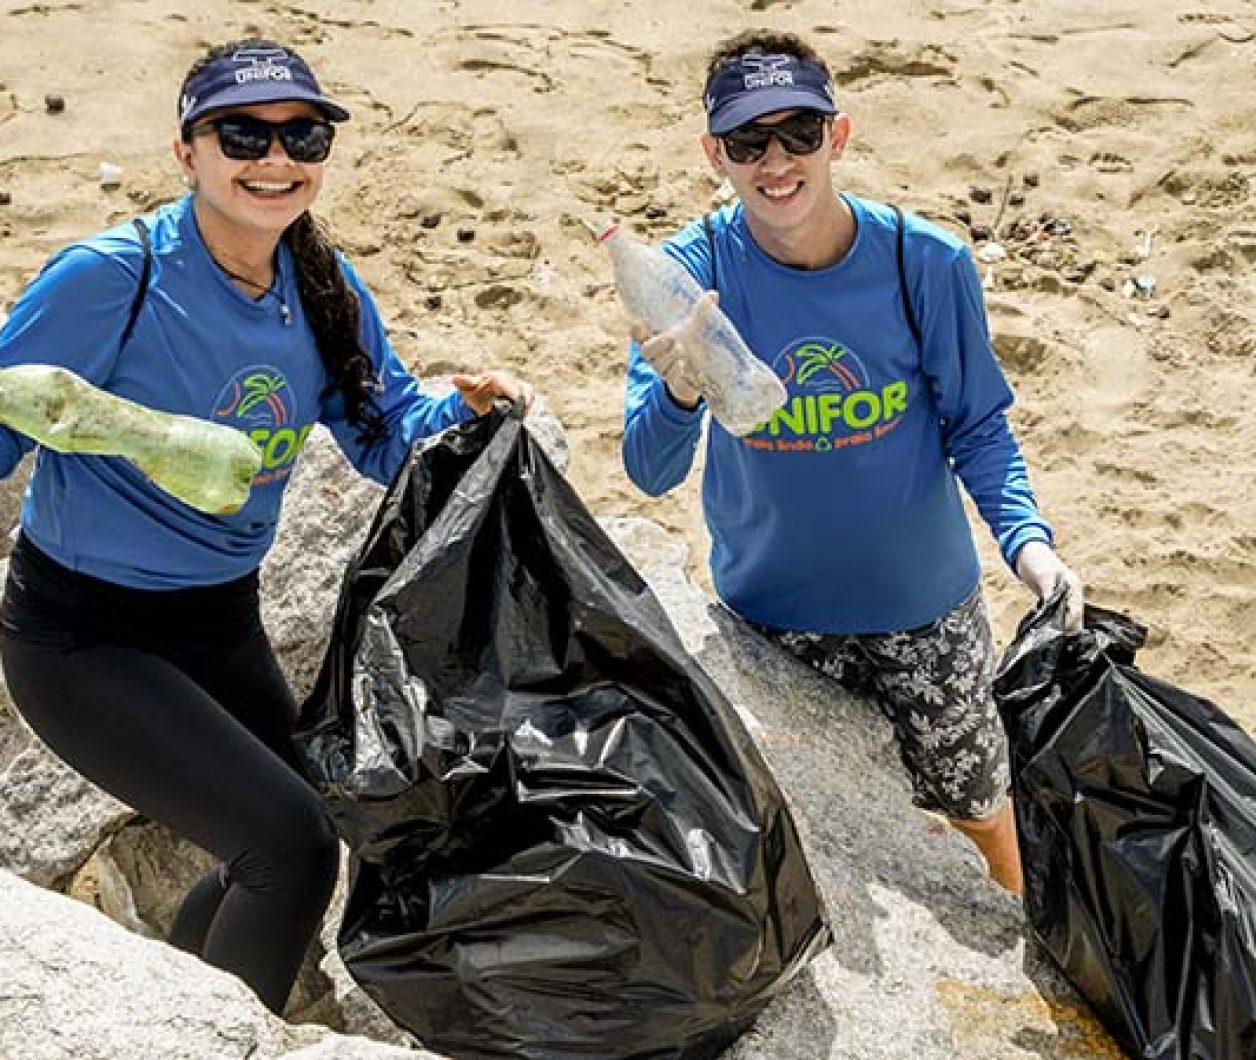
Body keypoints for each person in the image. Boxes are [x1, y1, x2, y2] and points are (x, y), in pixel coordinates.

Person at [0, 39, 530, 1012]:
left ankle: (179, 1001)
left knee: (310, 826)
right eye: (242, 133)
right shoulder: (110, 280)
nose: (275, 158)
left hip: (217, 620)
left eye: (302, 135)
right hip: (81, 639)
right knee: (283, 842)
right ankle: (217, 1029)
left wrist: (462, 411)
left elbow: (386, 436)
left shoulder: (320, 289)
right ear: (186, 152)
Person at [621, 29, 1084, 896]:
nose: (776, 161)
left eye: (798, 131)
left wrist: (1029, 546)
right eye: (749, 141)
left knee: (982, 811)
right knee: (814, 841)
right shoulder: (687, 274)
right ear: (713, 153)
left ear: (838, 135)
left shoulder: (925, 261)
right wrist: (681, 391)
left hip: (926, 614)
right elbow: (647, 470)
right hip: (769, 622)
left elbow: (979, 425)